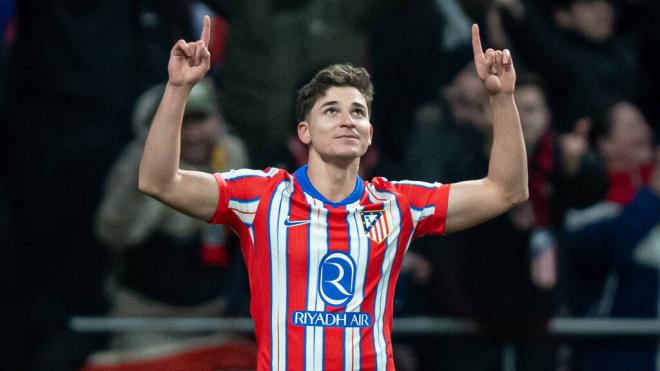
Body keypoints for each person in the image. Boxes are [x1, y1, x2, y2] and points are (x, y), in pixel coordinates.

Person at [138, 15, 528, 370]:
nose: (347, 121)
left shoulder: (398, 204)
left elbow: (506, 191)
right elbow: (159, 181)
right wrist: (177, 88)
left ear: (370, 134)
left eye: (358, 112)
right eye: (331, 111)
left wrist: (502, 98)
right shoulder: (261, 197)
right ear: (303, 132)